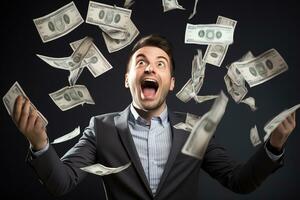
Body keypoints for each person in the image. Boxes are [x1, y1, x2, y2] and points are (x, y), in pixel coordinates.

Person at [13, 34, 296, 199]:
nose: (150, 69)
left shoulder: (195, 128)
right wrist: (40, 144)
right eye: (141, 63)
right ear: (127, 79)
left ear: (171, 82)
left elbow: (239, 181)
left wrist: (274, 146)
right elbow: (62, 182)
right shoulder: (101, 128)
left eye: (160, 64)